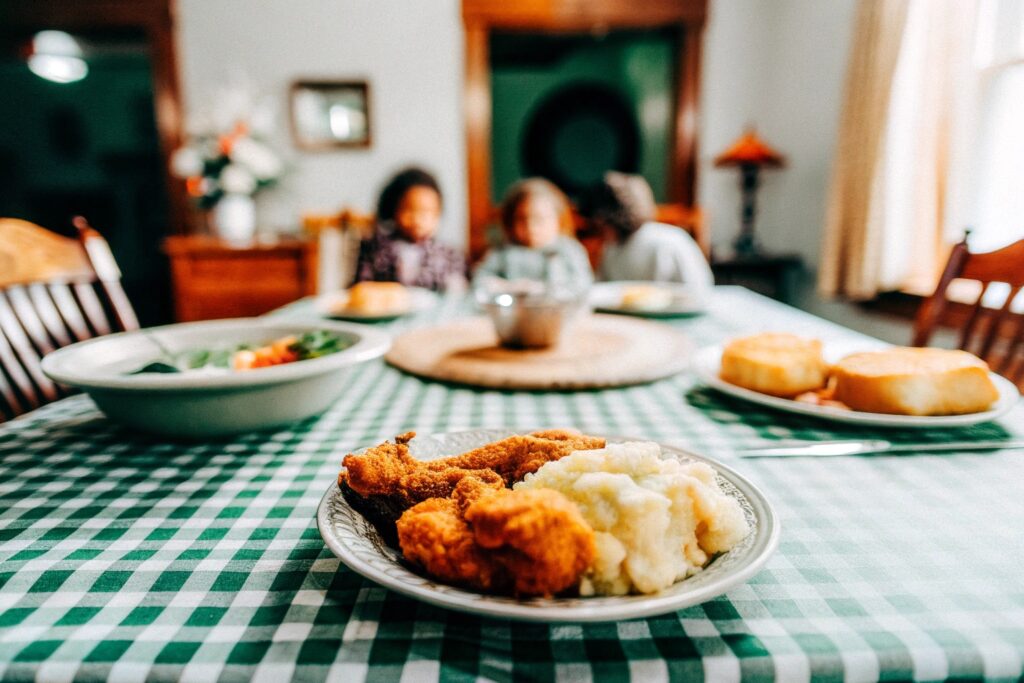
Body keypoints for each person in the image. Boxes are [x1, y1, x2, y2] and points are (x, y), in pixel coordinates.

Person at [581, 172, 713, 293]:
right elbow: (600, 290)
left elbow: (697, 291)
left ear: (605, 219)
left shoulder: (667, 242)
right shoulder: (611, 249)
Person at [472, 178, 593, 293]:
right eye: (521, 219)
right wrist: (508, 287)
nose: (531, 227)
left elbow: (583, 286)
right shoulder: (502, 252)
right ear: (509, 222)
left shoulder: (569, 249)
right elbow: (479, 282)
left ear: (558, 219)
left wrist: (541, 290)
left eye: (539, 219)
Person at [355, 167, 466, 291]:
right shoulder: (375, 247)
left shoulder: (448, 254)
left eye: (427, 212)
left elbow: (458, 290)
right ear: (393, 209)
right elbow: (362, 286)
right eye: (410, 210)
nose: (418, 220)